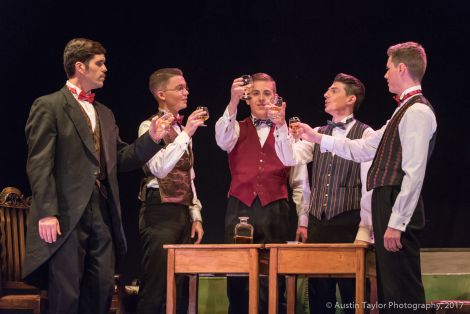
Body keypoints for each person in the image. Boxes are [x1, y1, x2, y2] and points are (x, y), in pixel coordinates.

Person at [23, 38, 168, 314]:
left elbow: (121, 158)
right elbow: (39, 162)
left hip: (101, 209)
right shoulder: (49, 105)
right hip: (66, 212)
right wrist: (46, 211)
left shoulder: (105, 113)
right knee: (67, 293)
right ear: (80, 66)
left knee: (102, 287)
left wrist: (151, 138)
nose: (105, 69)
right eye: (99, 63)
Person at [295, 42, 437, 313]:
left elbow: (414, 172)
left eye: (388, 69)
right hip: (387, 202)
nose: (385, 75)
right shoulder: (402, 110)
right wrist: (316, 137)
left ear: (402, 68)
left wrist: (397, 222)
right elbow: (363, 148)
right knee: (389, 290)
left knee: (401, 288)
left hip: (395, 202)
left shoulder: (418, 110)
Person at [271, 73, 374, 313]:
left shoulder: (366, 134)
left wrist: (365, 230)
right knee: (318, 295)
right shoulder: (316, 131)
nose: (326, 94)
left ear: (351, 99)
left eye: (333, 90)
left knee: (353, 295)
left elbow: (368, 186)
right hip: (319, 223)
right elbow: (289, 158)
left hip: (349, 221)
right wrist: (280, 126)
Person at [215, 73, 311, 314]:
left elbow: (299, 180)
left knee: (272, 279)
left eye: (267, 93)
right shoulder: (235, 127)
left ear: (276, 98)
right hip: (240, 207)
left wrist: (303, 219)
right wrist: (232, 102)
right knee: (237, 279)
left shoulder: (289, 131)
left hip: (275, 209)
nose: (261, 98)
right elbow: (221, 139)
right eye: (255, 93)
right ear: (247, 97)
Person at [136, 68, 205, 314]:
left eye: (186, 87)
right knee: (156, 284)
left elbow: (189, 175)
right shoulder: (149, 126)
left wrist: (195, 215)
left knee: (179, 287)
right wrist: (186, 134)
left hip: (182, 213)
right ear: (161, 94)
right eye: (180, 88)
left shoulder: (181, 131)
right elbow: (160, 169)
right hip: (159, 212)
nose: (186, 92)